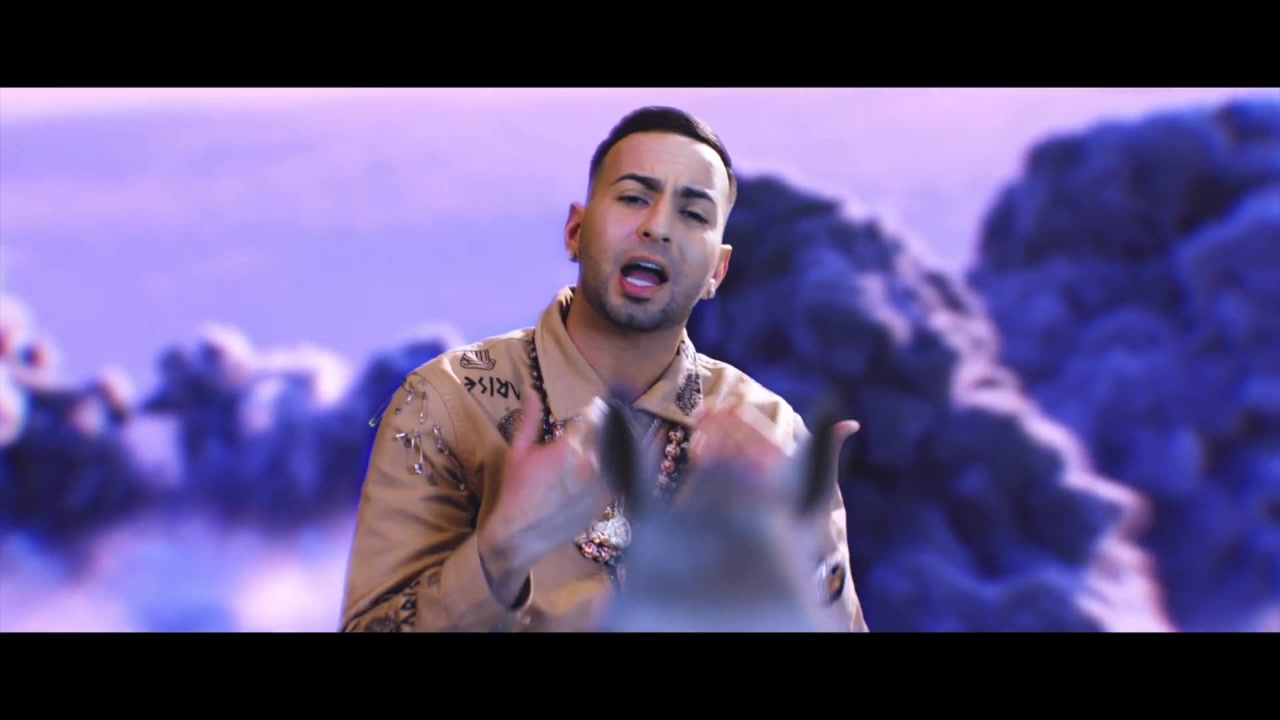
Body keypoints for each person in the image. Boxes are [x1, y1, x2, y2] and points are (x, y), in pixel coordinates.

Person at [338, 106, 870, 632]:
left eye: (693, 214)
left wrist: (801, 543)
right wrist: (500, 552)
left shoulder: (772, 431)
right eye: (634, 198)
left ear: (718, 270)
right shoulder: (445, 403)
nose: (657, 227)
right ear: (575, 230)